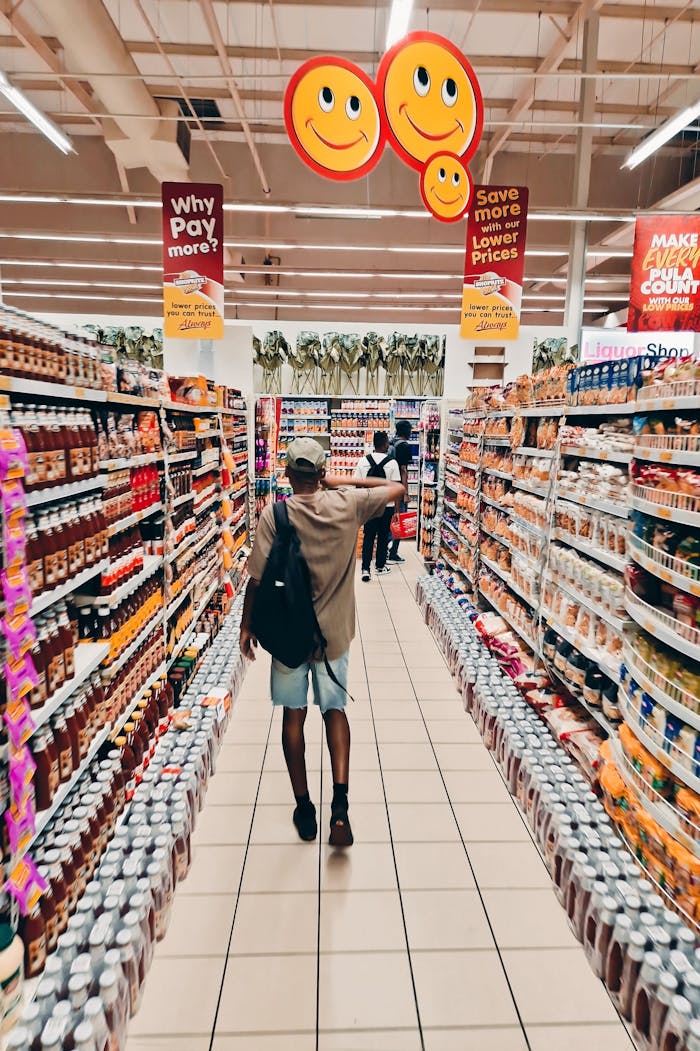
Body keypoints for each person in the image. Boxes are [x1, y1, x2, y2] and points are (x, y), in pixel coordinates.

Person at [239, 437, 405, 848]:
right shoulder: (347, 504)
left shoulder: (274, 515)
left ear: (288, 474)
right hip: (333, 634)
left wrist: (247, 627)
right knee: (335, 710)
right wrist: (338, 481)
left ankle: (304, 808)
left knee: (293, 717)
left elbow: (256, 580)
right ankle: (341, 809)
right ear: (320, 472)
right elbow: (396, 490)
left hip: (287, 634)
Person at [354, 430, 402, 583]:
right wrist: (396, 511)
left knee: (368, 536)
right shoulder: (392, 462)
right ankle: (380, 566)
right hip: (386, 505)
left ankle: (365, 569)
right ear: (385, 444)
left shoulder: (363, 461)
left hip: (369, 505)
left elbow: (357, 486)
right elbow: (396, 489)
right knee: (382, 536)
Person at [387, 419, 414, 564]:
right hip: (398, 488)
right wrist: (405, 493)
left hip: (387, 486)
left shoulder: (390, 443)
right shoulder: (404, 446)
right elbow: (403, 470)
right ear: (406, 431)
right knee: (400, 520)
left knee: (389, 519)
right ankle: (393, 553)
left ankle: (383, 549)